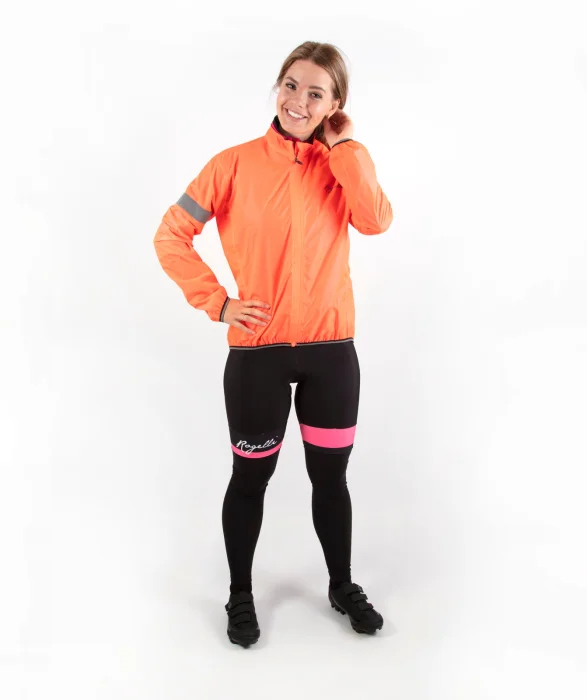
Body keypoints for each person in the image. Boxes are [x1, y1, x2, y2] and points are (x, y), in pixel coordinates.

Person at [153, 40, 393, 647]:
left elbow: (375, 220)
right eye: (291, 85)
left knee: (331, 479)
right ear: (277, 86)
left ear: (335, 105)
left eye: (316, 93)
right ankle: (240, 593)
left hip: (330, 352)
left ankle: (341, 585)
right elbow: (171, 235)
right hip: (256, 353)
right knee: (250, 478)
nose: (298, 101)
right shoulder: (232, 165)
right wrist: (219, 303)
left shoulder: (343, 165)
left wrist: (346, 147)